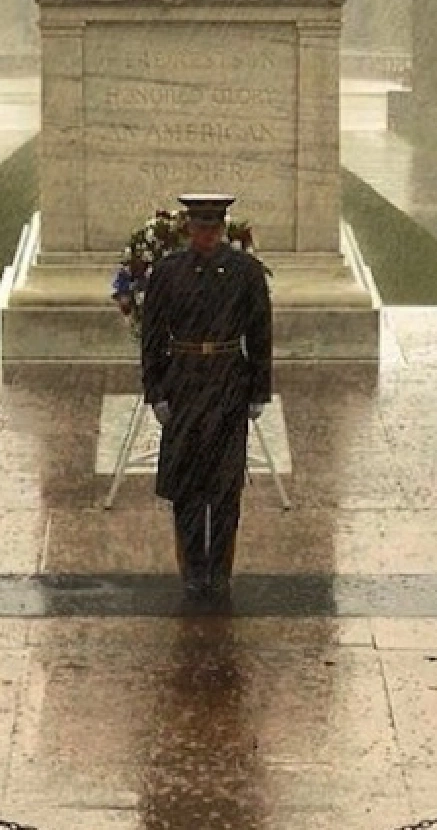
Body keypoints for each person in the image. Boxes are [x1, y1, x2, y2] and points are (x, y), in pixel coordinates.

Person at [140, 194, 273, 604]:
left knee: (225, 484)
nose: (207, 236)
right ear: (188, 229)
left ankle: (220, 570)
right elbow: (152, 337)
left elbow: (261, 333)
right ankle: (193, 569)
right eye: (200, 228)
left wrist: (258, 391)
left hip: (229, 381)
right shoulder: (167, 272)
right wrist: (156, 392)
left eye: (213, 228)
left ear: (222, 229)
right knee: (187, 484)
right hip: (184, 383)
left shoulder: (245, 272)